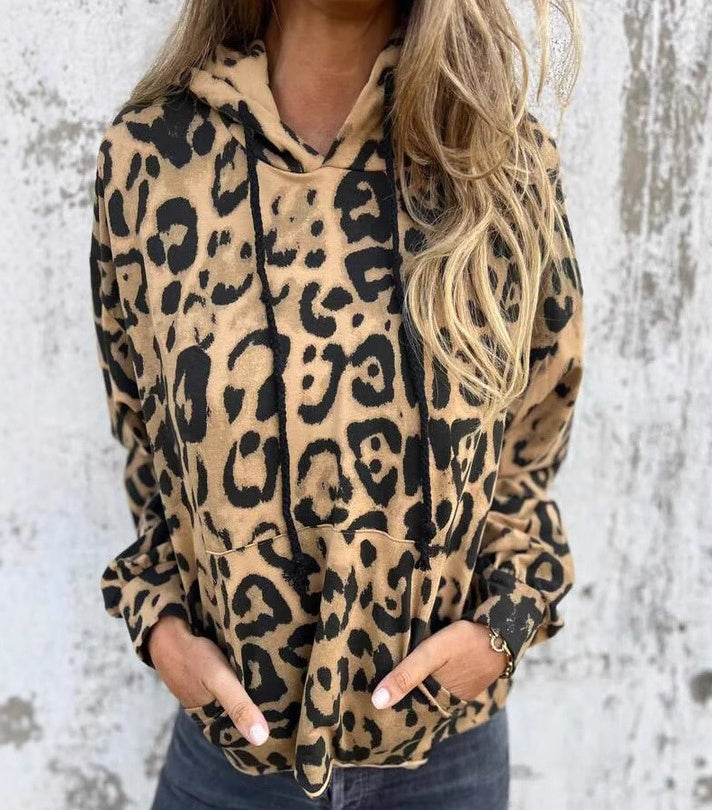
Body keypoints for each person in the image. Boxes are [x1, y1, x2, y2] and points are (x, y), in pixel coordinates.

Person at [88, 1, 584, 807]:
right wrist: (162, 625)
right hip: (231, 761)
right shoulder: (152, 157)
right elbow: (147, 441)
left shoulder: (498, 159)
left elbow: (532, 437)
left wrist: (501, 630)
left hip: (443, 757)